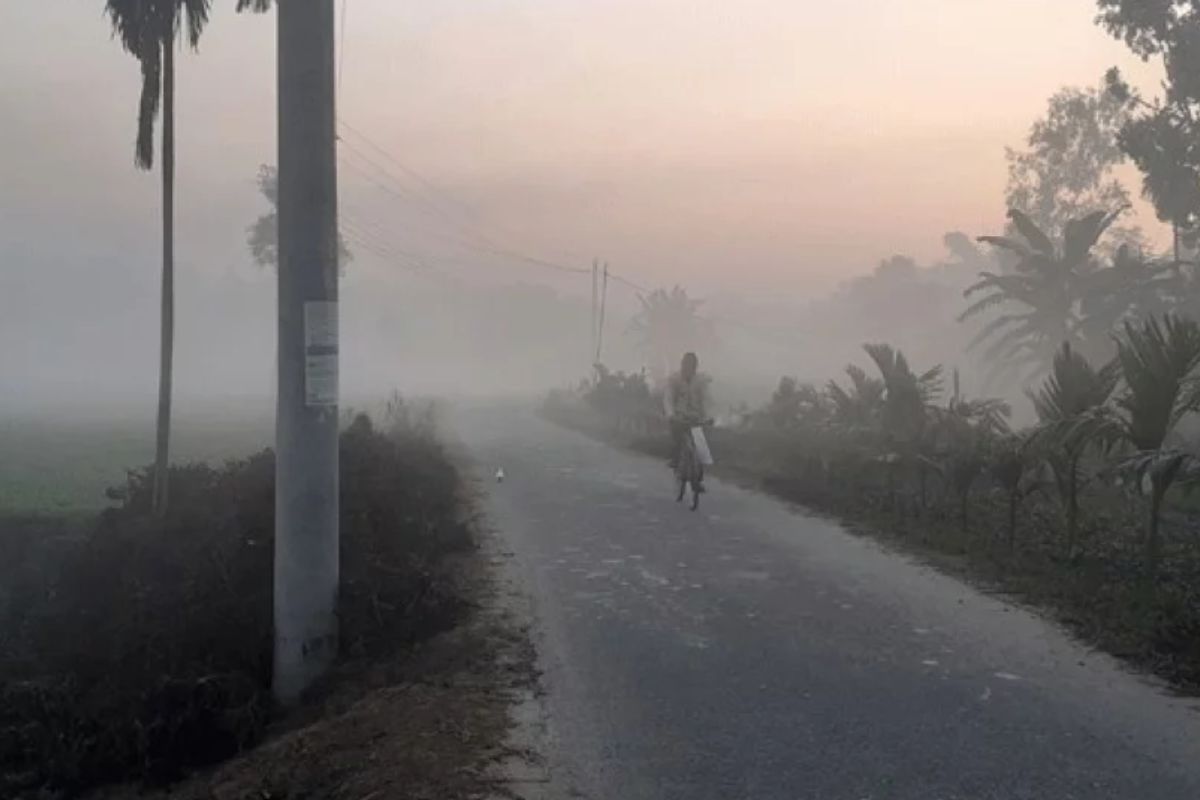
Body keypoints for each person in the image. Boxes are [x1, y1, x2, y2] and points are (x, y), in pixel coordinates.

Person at [663, 352, 710, 470]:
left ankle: (699, 474)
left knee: (702, 452)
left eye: (692, 366)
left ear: (695, 367)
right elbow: (668, 398)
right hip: (679, 416)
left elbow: (705, 400)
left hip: (695, 417)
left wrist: (707, 416)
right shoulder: (674, 379)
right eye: (687, 365)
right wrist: (670, 414)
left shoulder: (700, 381)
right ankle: (675, 458)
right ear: (682, 365)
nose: (689, 368)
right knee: (677, 439)